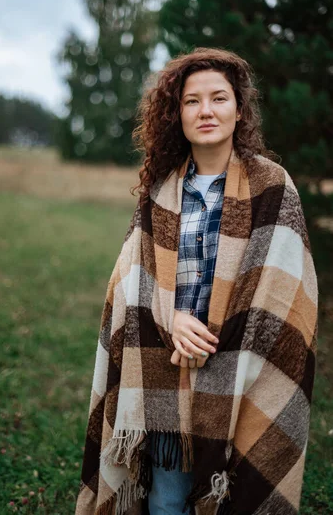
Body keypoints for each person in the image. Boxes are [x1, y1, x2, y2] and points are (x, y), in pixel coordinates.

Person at [75, 47, 318, 515]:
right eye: (191, 101)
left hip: (244, 370)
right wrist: (173, 320)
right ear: (177, 114)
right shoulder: (160, 187)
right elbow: (130, 276)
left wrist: (220, 337)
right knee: (168, 499)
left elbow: (285, 286)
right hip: (167, 367)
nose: (206, 110)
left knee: (239, 494)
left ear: (239, 109)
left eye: (219, 98)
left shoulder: (272, 186)